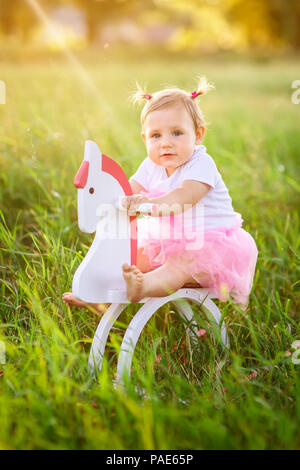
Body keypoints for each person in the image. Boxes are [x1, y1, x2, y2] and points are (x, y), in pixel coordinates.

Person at [63, 77, 258, 312]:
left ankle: (143, 287)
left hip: (209, 244)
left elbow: (182, 198)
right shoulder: (151, 165)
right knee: (132, 255)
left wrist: (147, 202)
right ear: (145, 138)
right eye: (156, 136)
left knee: (180, 264)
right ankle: (98, 293)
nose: (165, 143)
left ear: (198, 135)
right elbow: (129, 191)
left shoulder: (201, 163)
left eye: (176, 133)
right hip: (170, 238)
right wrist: (117, 201)